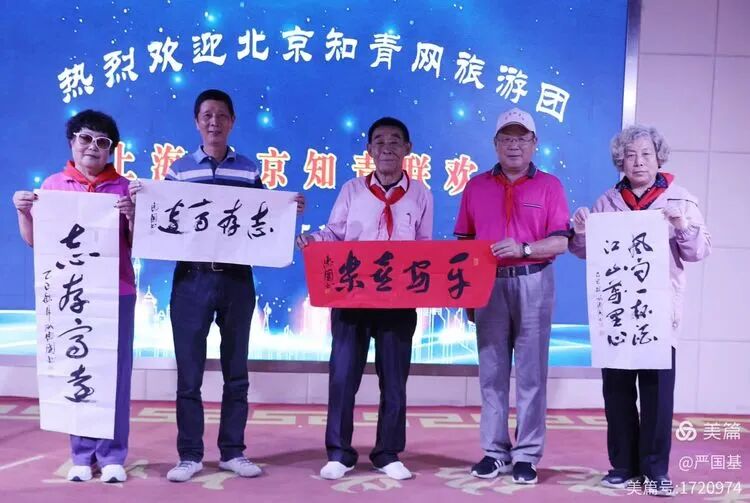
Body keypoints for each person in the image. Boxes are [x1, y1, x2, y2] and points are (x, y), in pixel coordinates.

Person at [130, 89, 304, 482]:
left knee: (236, 372)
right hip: (191, 280)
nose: (214, 122)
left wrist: (290, 209)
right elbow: (161, 221)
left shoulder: (247, 169)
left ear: (232, 121)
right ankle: (190, 455)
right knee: (189, 375)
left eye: (221, 115)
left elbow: (265, 218)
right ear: (197, 122)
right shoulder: (178, 171)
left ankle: (232, 451)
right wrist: (143, 202)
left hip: (236, 279)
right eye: (207, 115)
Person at [569, 125, 711, 497]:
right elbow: (584, 253)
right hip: (618, 312)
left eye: (646, 154)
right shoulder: (607, 201)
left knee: (657, 396)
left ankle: (656, 470)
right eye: (630, 155)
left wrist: (682, 226)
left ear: (659, 158)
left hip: (659, 316)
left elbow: (699, 251)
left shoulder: (680, 200)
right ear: (620, 161)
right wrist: (580, 231)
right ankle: (622, 466)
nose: (639, 162)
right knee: (616, 393)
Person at [296, 117, 433, 481]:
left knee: (394, 381)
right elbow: (333, 233)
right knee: (343, 377)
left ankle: (388, 453)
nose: (387, 147)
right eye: (379, 141)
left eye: (395, 141)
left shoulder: (421, 194)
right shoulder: (352, 190)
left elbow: (424, 247)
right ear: (369, 150)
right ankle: (339, 452)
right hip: (351, 297)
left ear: (408, 148)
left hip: (397, 302)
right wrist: (313, 240)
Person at [12, 110, 136, 483]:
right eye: (85, 138)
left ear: (111, 149)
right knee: (76, 371)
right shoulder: (52, 186)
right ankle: (82, 454)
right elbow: (36, 241)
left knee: (114, 377)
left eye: (102, 142)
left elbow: (140, 243)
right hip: (71, 293)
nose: (93, 147)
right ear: (72, 141)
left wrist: (133, 216)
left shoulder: (125, 189)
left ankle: (112, 455)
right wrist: (23, 213)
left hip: (116, 293)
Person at [454, 108, 570, 484]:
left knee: (532, 374)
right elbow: (464, 242)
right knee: (492, 372)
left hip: (534, 280)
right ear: (495, 144)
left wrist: (524, 249)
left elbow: (561, 241)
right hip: (487, 285)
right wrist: (467, 294)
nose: (514, 145)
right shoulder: (476, 186)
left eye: (522, 138)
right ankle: (494, 452)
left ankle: (527, 454)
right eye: (507, 138)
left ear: (535, 144)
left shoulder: (550, 186)